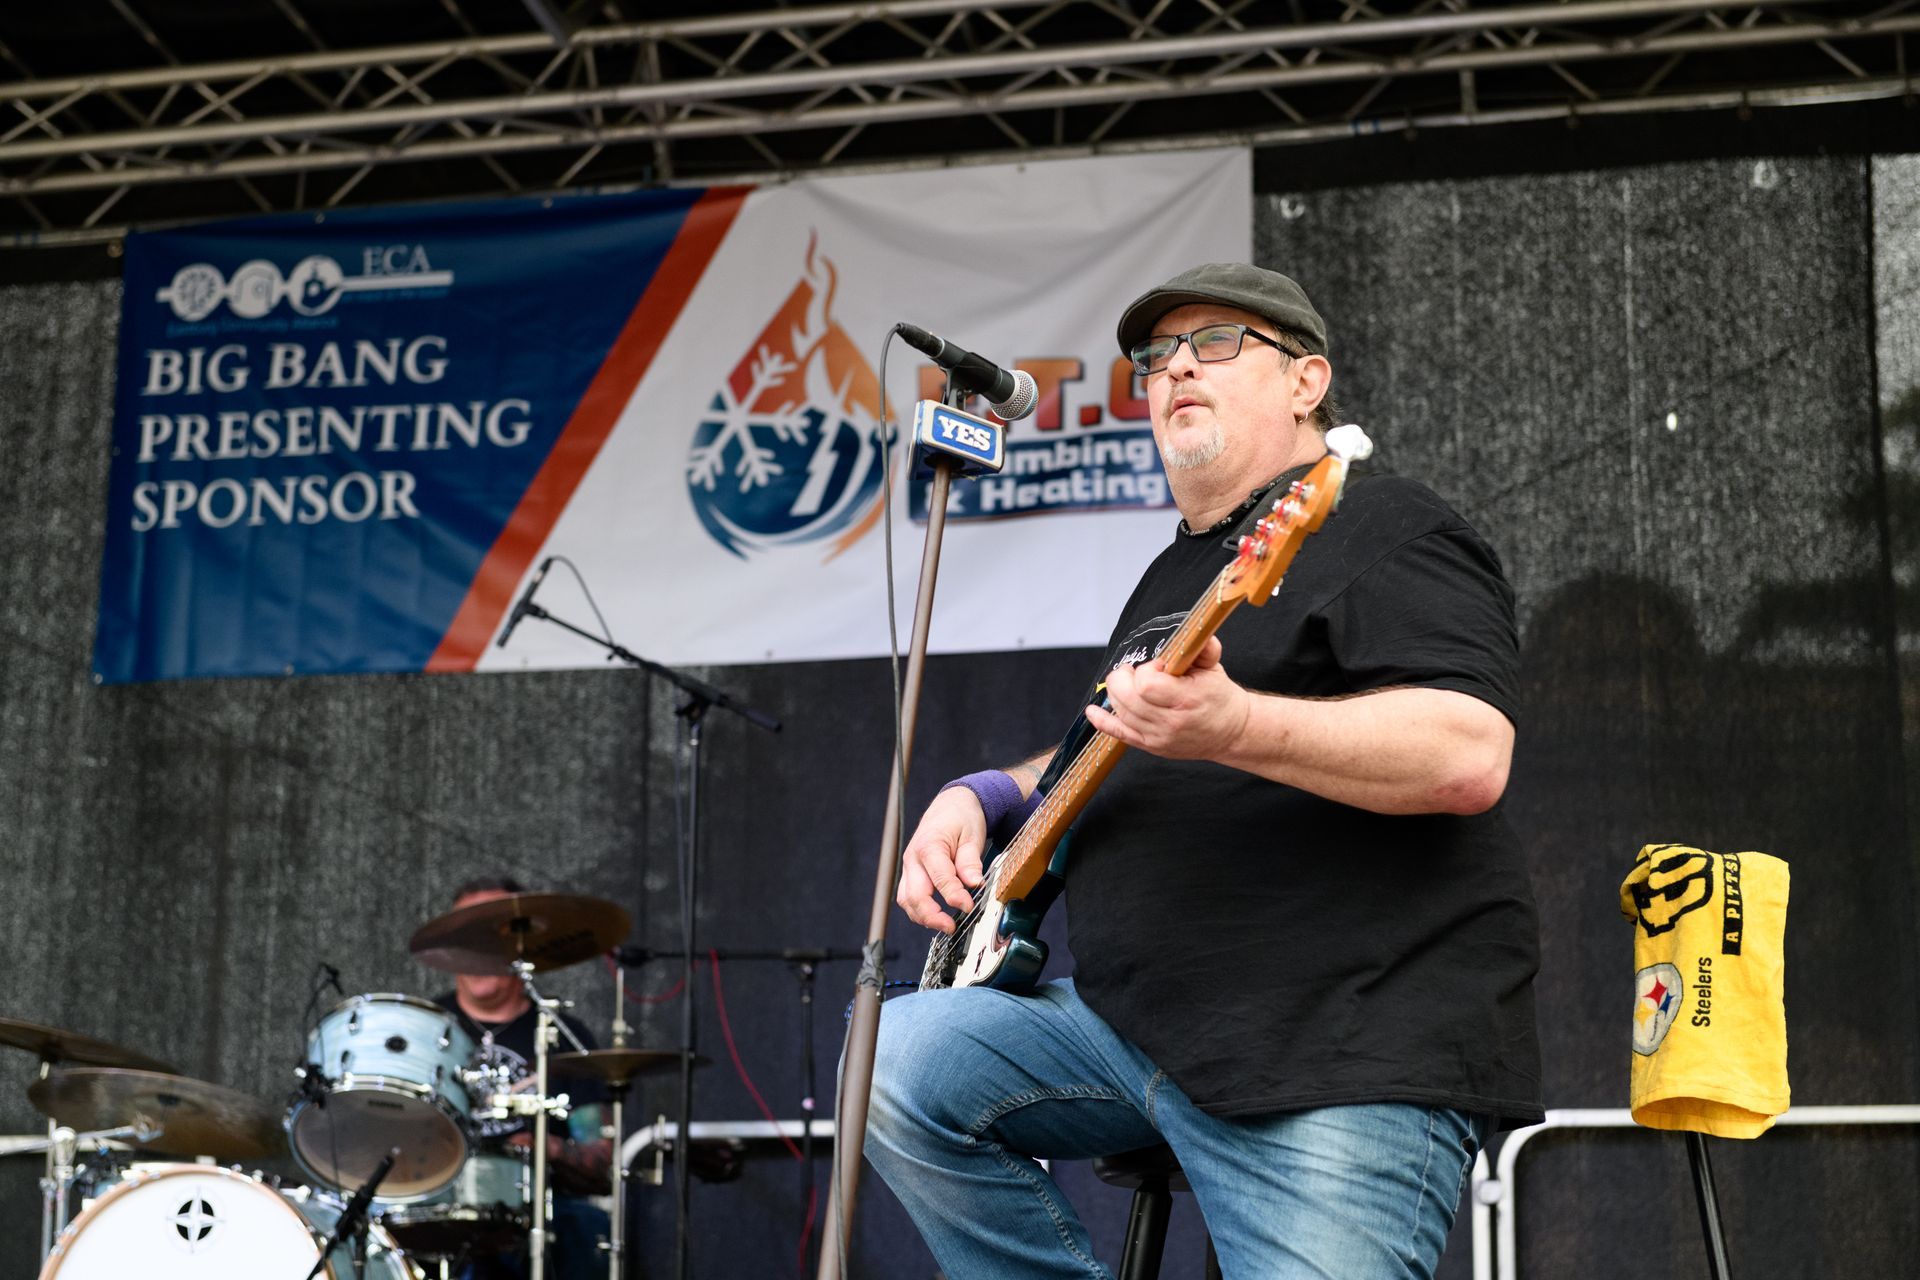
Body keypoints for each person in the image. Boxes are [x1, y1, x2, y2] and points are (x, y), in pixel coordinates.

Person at [865, 263, 1543, 1279]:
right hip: (1132, 1031)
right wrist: (988, 793)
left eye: (1218, 341)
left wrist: (1237, 726)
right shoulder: (1175, 568)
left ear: (1308, 382)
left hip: (1333, 1047)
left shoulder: (1387, 522)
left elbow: (1467, 752)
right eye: (1156, 356)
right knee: (890, 1061)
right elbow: (1109, 741)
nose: (1177, 367)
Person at [431, 876, 614, 1280]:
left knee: (586, 1227)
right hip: (438, 1205)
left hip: (541, 1210)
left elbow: (603, 1164)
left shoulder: (563, 1035)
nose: (478, 948)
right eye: (467, 933)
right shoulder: (422, 1029)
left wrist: (546, 1147)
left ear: (523, 944)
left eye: (491, 932)